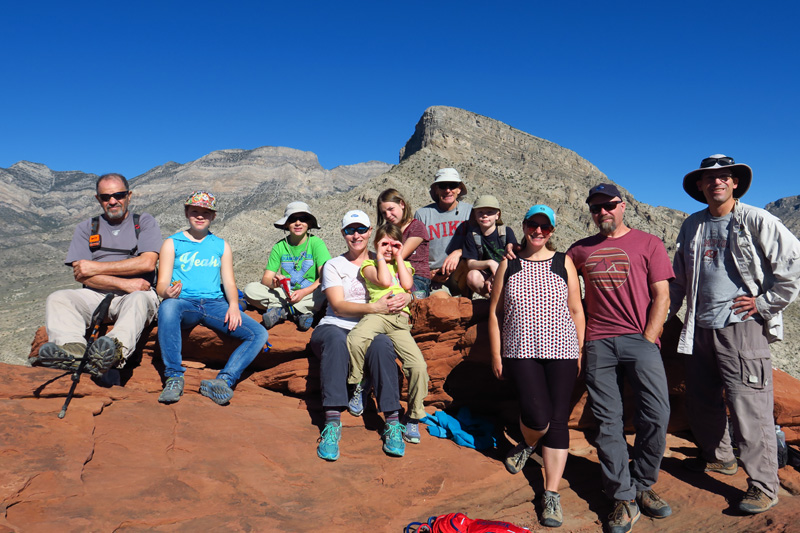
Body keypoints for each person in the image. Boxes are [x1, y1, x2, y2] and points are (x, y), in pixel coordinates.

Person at [669, 154, 800, 514]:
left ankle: (763, 485)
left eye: (723, 177)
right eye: (709, 178)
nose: (717, 183)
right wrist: (663, 316)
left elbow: (793, 262)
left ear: (735, 182)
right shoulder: (692, 224)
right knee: (702, 400)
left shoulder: (756, 219)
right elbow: (679, 278)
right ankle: (719, 458)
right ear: (699, 185)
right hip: (700, 326)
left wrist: (765, 304)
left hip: (742, 326)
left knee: (749, 408)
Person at [567, 183, 674, 533]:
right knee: (608, 421)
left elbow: (662, 296)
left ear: (622, 206)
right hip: (598, 342)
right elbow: (549, 268)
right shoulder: (579, 251)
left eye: (609, 206)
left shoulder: (648, 243)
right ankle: (623, 497)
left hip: (639, 339)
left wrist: (648, 337)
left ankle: (643, 483)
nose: (603, 213)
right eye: (596, 208)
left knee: (657, 413)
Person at [489, 205, 584, 528]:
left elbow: (576, 308)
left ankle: (551, 493)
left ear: (553, 231)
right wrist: (496, 353)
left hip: (562, 350)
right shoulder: (510, 264)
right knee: (536, 415)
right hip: (520, 350)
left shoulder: (563, 263)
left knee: (557, 421)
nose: (539, 231)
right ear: (525, 226)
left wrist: (580, 348)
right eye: (533, 225)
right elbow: (495, 313)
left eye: (545, 227)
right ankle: (529, 442)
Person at [34, 173, 162, 382]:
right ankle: (72, 351)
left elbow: (146, 263)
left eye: (118, 195)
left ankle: (111, 352)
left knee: (139, 298)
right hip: (96, 295)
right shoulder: (86, 228)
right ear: (98, 199)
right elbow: (81, 274)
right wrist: (124, 282)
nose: (113, 201)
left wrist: (95, 267)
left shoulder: (144, 222)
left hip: (137, 294)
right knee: (58, 298)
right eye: (106, 197)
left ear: (129, 195)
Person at [308, 210, 414, 460]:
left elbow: (406, 286)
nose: (355, 235)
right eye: (349, 230)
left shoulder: (384, 260)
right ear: (343, 234)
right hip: (335, 324)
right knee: (335, 340)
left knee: (382, 346)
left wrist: (409, 296)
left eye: (361, 230)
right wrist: (374, 308)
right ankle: (332, 422)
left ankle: (392, 421)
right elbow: (339, 305)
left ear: (370, 232)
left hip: (371, 327)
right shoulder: (334, 265)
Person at [155, 191, 268, 405]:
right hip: (184, 303)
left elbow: (230, 282)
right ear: (186, 212)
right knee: (168, 307)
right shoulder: (172, 243)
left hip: (215, 304)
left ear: (213, 216)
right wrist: (166, 293)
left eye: (205, 213)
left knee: (258, 333)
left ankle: (224, 380)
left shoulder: (221, 245)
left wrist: (234, 306)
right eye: (195, 211)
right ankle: (174, 377)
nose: (200, 216)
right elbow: (162, 283)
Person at [346, 223, 430, 444]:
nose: (389, 249)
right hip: (377, 315)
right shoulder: (368, 265)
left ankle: (413, 415)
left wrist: (400, 256)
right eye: (384, 244)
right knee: (356, 339)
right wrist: (381, 256)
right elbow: (384, 281)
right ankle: (360, 383)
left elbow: (408, 284)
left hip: (400, 321)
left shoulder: (405, 265)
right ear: (376, 245)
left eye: (394, 244)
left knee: (418, 366)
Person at [244, 201, 331, 331]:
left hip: (310, 293)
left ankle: (281, 311)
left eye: (303, 219)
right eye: (293, 219)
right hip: (286, 293)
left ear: (309, 223)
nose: (298, 223)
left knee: (326, 291)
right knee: (250, 289)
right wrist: (274, 284)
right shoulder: (279, 246)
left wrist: (304, 292)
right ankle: (300, 312)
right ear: (286, 224)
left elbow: (325, 277)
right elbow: (266, 279)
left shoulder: (316, 244)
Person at [414, 168, 472, 296]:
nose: (447, 190)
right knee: (442, 305)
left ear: (459, 189)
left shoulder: (470, 212)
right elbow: (415, 252)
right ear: (436, 189)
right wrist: (428, 274)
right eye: (442, 186)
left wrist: (459, 252)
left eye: (452, 186)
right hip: (435, 276)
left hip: (462, 272)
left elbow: (479, 242)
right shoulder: (423, 215)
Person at [377, 188, 431, 297]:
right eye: (384, 213)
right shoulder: (387, 231)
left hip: (417, 277)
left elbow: (399, 255)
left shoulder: (417, 227)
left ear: (402, 204)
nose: (388, 215)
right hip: (393, 274)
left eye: (391, 209)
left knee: (399, 295)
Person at [464, 195, 518, 298]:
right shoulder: (472, 236)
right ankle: (494, 300)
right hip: (486, 275)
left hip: (506, 272)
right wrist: (490, 263)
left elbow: (513, 256)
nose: (485, 216)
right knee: (472, 276)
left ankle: (505, 299)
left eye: (489, 212)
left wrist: (495, 275)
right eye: (480, 212)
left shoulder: (506, 232)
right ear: (474, 216)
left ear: (497, 215)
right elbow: (470, 264)